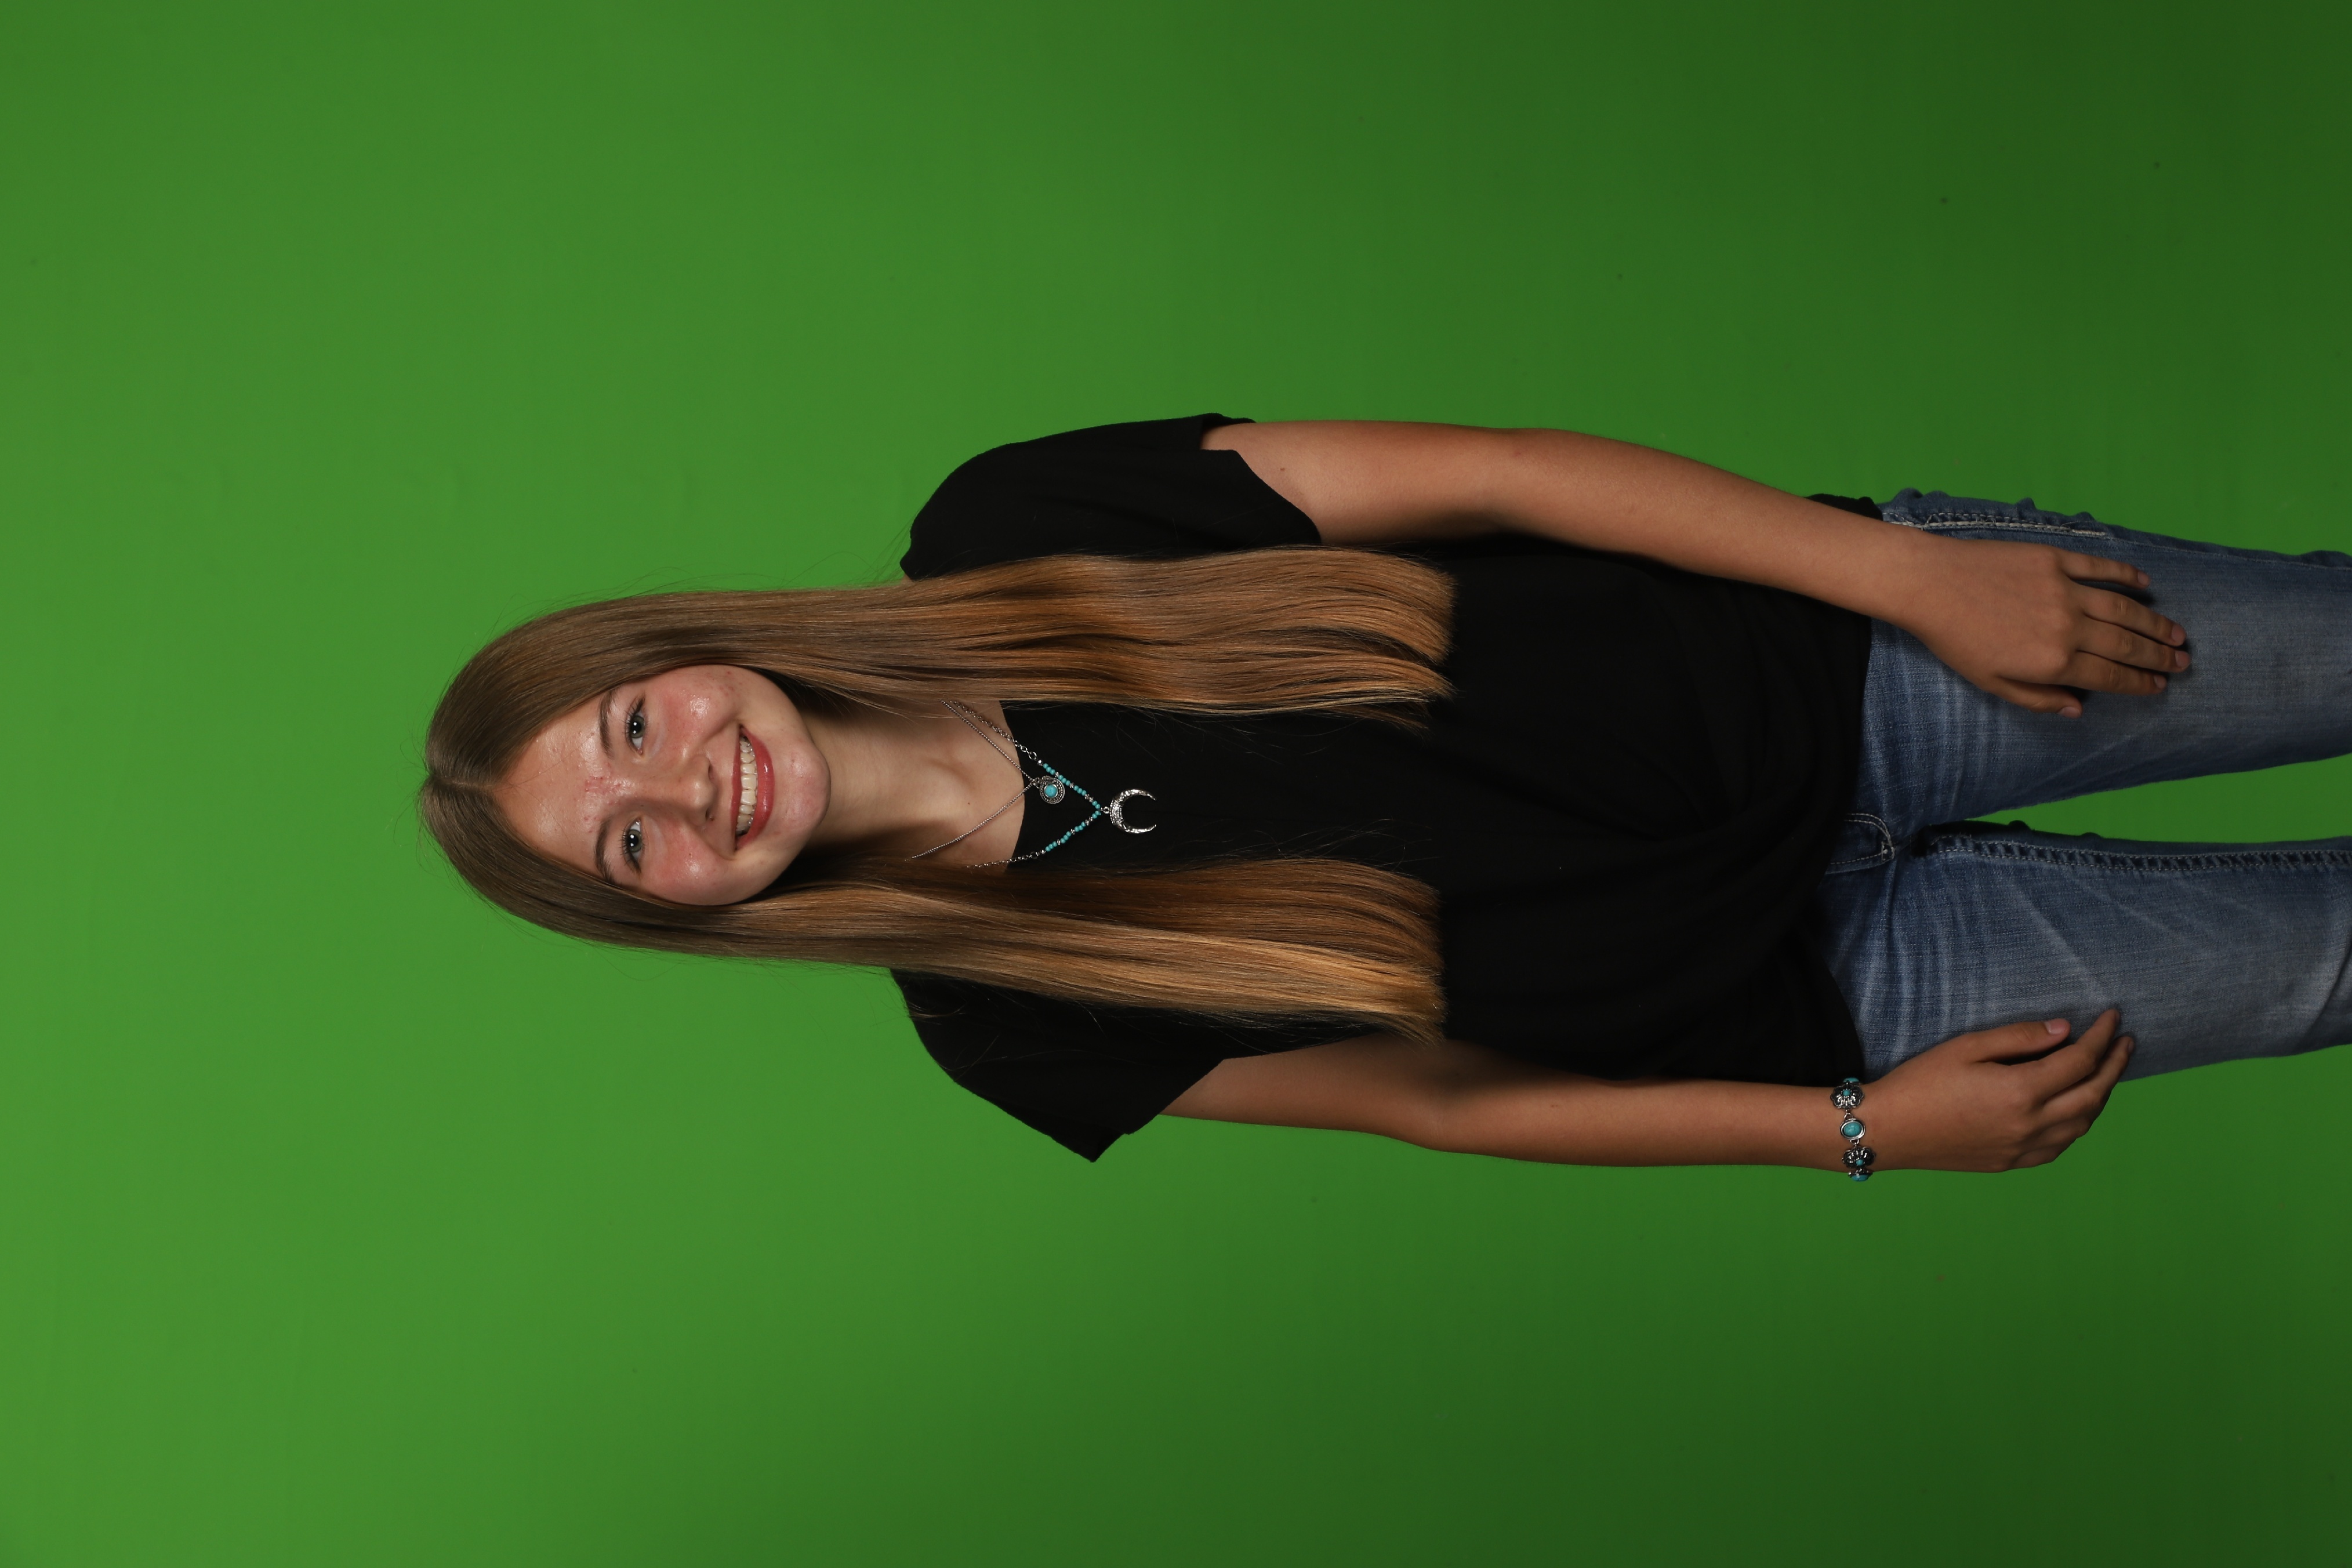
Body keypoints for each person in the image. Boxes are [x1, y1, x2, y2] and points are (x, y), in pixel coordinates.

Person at [420, 415, 2352, 1177]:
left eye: (631, 725)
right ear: (670, 909)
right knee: (2332, 965)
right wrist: (1851, 1128)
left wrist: (1903, 575)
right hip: (1832, 1000)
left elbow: (1502, 476)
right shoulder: (1003, 1025)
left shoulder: (1012, 522)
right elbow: (1450, 1100)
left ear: (670, 646)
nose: (688, 788)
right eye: (631, 843)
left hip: (1851, 662)